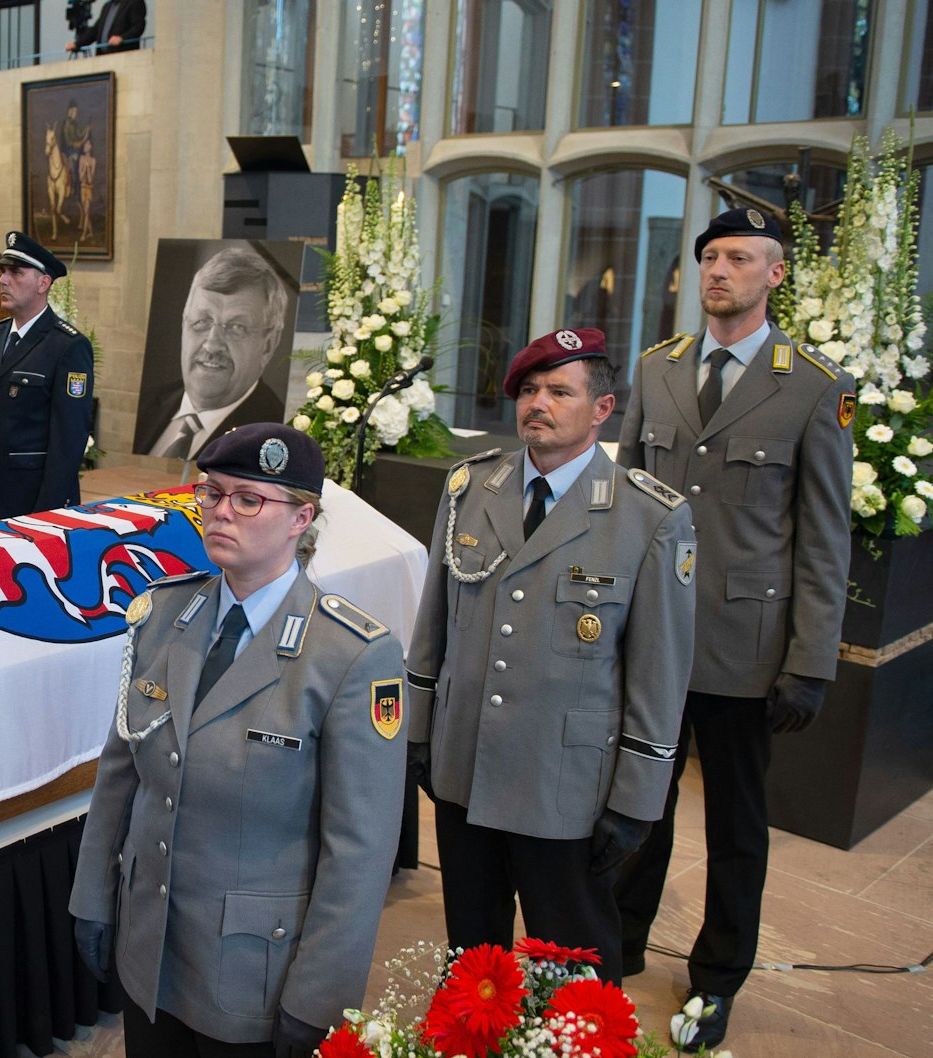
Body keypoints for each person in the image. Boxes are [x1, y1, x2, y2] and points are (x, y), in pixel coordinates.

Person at [71, 423, 403, 1058]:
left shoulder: (352, 655)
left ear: (301, 518)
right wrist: (93, 896)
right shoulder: (162, 616)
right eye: (213, 492)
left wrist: (322, 995)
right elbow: (122, 773)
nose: (222, 511)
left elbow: (358, 851)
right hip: (153, 954)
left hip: (254, 974)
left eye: (249, 499)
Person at [614, 208, 855, 1047]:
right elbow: (626, 506)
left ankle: (717, 978)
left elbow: (825, 537)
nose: (720, 270)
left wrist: (811, 662)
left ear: (775, 275)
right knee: (637, 803)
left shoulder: (815, 387)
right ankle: (618, 947)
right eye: (711, 256)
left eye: (740, 258)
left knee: (736, 824)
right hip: (653, 638)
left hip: (745, 652)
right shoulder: (659, 369)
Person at [405, 328, 696, 980]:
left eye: (560, 391)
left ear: (601, 409)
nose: (538, 402)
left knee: (575, 969)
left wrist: (636, 799)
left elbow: (658, 675)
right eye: (529, 389)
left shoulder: (649, 518)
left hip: (564, 785)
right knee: (473, 961)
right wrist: (420, 733)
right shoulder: (470, 489)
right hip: (467, 767)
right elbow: (434, 625)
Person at [0, 232, 94, 524]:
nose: (2, 280)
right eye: (3, 271)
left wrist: (49, 511)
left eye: (16, 273)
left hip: (32, 501)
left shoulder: (67, 345)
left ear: (43, 283)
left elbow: (69, 438)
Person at [136, 248, 290, 459]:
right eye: (202, 322)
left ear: (268, 345)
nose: (212, 345)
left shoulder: (272, 440)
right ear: (183, 324)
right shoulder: (147, 405)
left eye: (236, 327)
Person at [66, 0, 145, 54]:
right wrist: (77, 44)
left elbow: (138, 26)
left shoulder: (135, 2)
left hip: (122, 56)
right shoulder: (107, 7)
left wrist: (122, 38)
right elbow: (95, 31)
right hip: (103, 58)